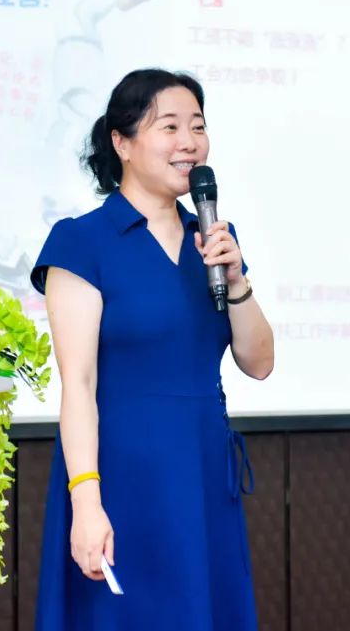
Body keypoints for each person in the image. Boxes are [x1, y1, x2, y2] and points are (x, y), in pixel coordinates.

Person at [30, 68, 275, 630]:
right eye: (170, 127)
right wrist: (86, 502)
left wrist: (237, 280)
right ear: (122, 142)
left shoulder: (212, 239)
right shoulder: (82, 241)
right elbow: (79, 386)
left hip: (203, 470)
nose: (189, 142)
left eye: (198, 127)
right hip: (120, 473)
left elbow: (260, 363)